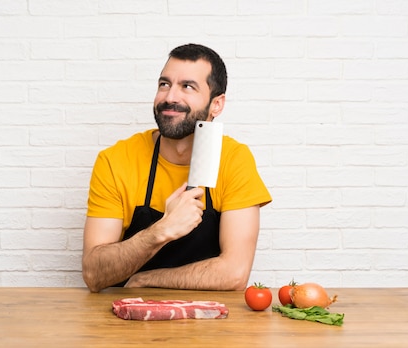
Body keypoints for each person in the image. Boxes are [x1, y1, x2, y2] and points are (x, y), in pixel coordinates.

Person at [82, 43, 271, 293]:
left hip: (210, 323)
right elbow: (94, 274)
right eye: (164, 84)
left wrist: (145, 279)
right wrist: (161, 230)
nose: (170, 97)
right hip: (127, 319)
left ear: (217, 104)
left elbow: (234, 274)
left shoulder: (233, 159)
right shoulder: (116, 160)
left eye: (187, 87)